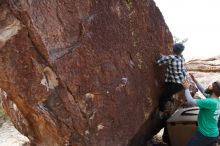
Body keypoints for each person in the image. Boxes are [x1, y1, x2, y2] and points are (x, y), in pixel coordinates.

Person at [182, 77, 220, 146]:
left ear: (213, 90)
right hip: (213, 134)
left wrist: (186, 89)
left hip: (205, 134)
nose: (209, 86)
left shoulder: (209, 102)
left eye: (211, 85)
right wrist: (195, 81)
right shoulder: (216, 101)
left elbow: (191, 101)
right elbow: (203, 91)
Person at [156, 43, 187, 118]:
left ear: (173, 49)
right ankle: (168, 103)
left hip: (175, 83)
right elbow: (170, 59)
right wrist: (165, 57)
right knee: (168, 90)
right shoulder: (182, 58)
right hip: (181, 83)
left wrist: (161, 58)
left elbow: (158, 63)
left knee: (163, 95)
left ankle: (161, 111)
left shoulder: (170, 58)